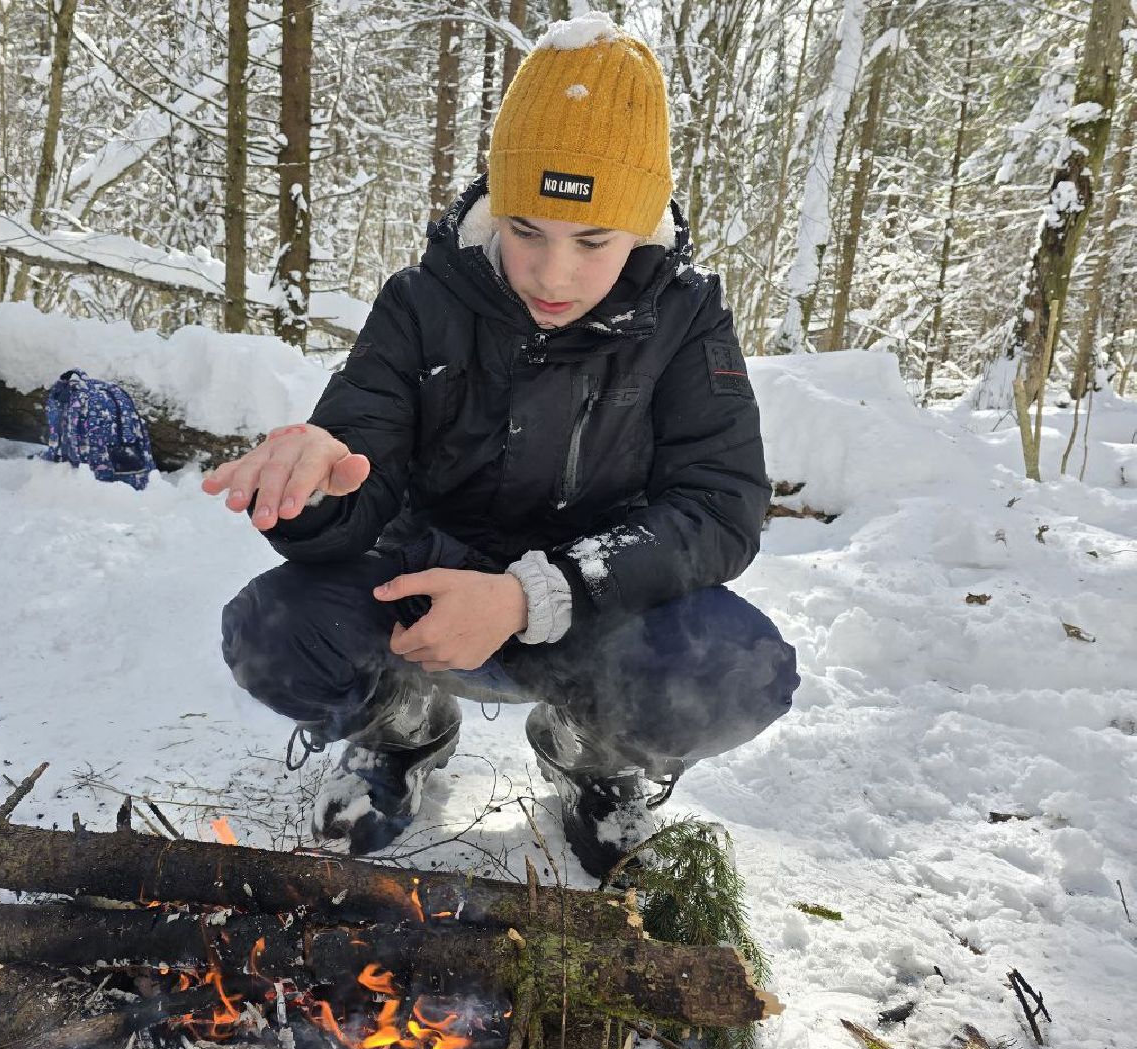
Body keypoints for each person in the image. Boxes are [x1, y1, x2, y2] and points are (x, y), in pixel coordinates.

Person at [205, 12, 799, 881]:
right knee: (273, 632)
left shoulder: (685, 317)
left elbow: (720, 508)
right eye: (527, 230)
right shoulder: (423, 298)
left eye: (592, 241)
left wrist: (534, 596)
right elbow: (361, 440)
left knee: (742, 673)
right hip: (423, 583)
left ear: (638, 226)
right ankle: (399, 729)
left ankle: (589, 752)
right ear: (496, 207)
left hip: (590, 601)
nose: (552, 275)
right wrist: (318, 485)